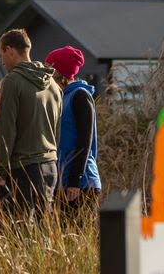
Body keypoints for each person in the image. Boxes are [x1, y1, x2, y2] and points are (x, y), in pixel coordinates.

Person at [0, 27, 61, 214]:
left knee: (19, 230)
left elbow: (7, 129)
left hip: (24, 167)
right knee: (41, 228)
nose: (2, 61)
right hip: (50, 165)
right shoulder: (53, 84)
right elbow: (57, 129)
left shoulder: (12, 81)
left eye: (1, 55)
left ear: (10, 51)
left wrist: (0, 170)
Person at [45, 45, 100, 208]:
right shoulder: (61, 97)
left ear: (59, 74)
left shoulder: (80, 96)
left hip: (81, 182)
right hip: (64, 179)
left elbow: (85, 139)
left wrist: (75, 179)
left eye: (50, 70)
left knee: (77, 232)